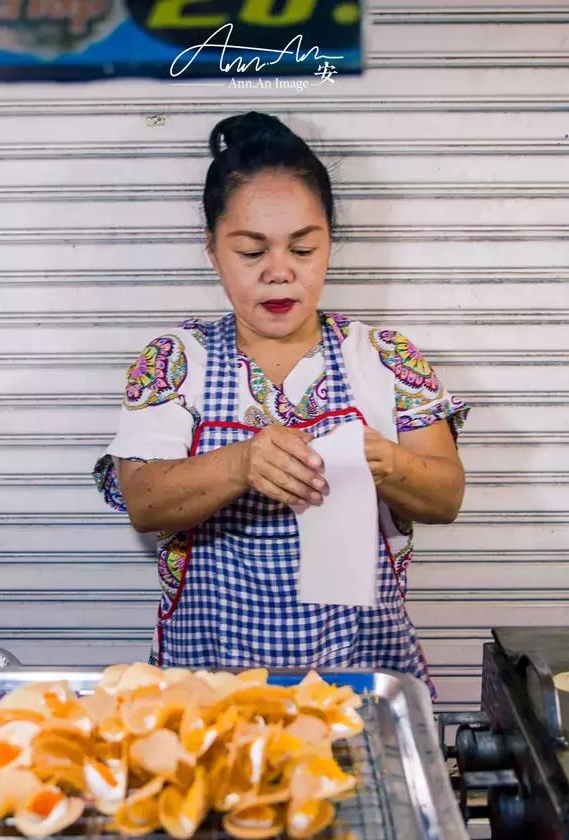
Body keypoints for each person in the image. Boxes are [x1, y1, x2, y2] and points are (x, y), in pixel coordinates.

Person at [93, 111, 468, 695]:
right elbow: (144, 501)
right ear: (213, 250)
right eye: (250, 252)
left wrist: (381, 460)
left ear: (329, 244)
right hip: (208, 685)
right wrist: (242, 463)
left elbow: (445, 497)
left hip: (359, 681)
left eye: (302, 248)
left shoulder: (385, 357)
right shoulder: (174, 360)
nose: (279, 273)